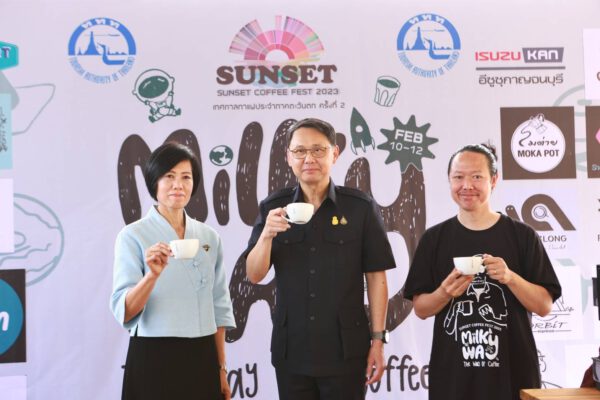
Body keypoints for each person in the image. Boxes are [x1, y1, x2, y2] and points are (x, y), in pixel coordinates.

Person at [243, 117, 396, 400]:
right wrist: (266, 235)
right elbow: (254, 274)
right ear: (288, 157)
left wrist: (378, 340)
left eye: (318, 150)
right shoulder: (273, 207)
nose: (309, 158)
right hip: (292, 350)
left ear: (334, 154)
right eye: (300, 151)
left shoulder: (360, 208)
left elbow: (377, 278)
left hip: (346, 350)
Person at [403, 143, 562, 400]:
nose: (467, 185)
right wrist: (445, 292)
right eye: (458, 177)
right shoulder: (434, 239)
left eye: (477, 177)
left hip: (513, 375)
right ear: (449, 180)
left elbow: (544, 306)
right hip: (453, 379)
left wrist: (510, 278)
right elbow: (421, 309)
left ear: (494, 180)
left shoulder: (522, 236)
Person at [110, 142, 236, 400]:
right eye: (169, 176)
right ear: (154, 182)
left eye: (186, 177)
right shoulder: (132, 235)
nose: (178, 184)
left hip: (202, 354)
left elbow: (219, 306)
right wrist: (152, 275)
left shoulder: (209, 236)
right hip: (153, 354)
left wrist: (221, 368)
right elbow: (125, 311)